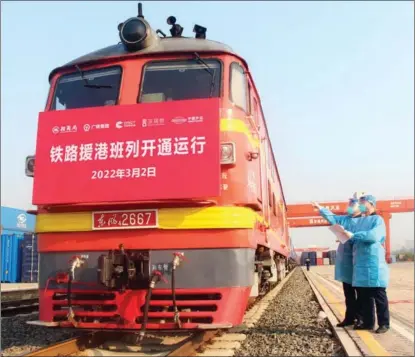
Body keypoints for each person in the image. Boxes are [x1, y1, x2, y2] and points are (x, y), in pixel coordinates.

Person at [312, 193, 364, 328]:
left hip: (359, 259)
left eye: (353, 204)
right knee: (348, 292)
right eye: (350, 204)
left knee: (361, 293)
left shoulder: (365, 221)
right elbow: (332, 218)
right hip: (346, 261)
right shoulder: (345, 219)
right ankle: (349, 318)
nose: (350, 207)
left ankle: (361, 318)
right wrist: (321, 208)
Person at [349, 194, 390, 334]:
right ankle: (368, 323)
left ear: (371, 204)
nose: (360, 205)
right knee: (365, 295)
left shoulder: (377, 219)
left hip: (373, 262)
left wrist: (355, 235)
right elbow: (351, 235)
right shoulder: (360, 221)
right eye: (359, 203)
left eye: (363, 202)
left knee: (378, 294)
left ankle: (384, 323)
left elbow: (373, 236)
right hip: (360, 262)